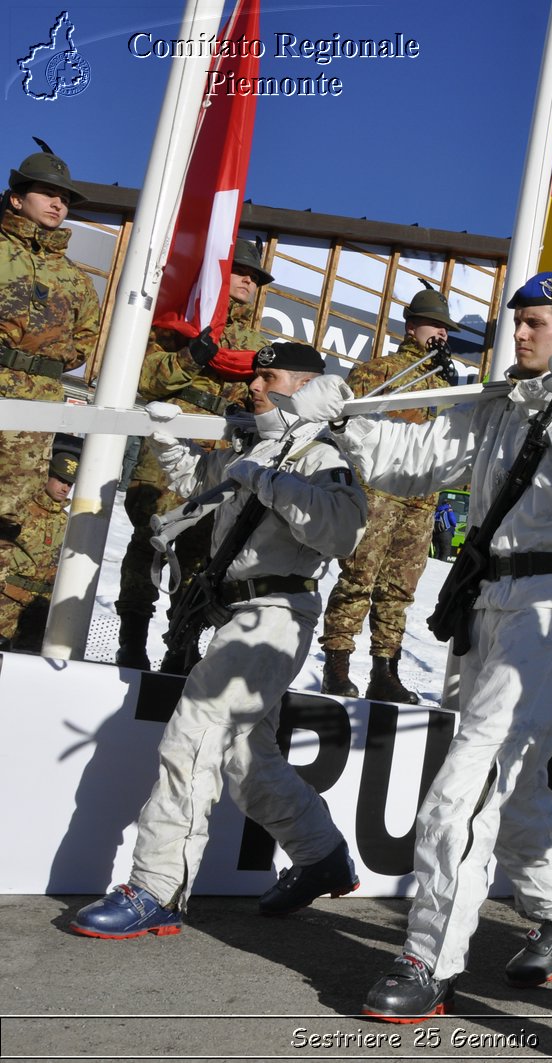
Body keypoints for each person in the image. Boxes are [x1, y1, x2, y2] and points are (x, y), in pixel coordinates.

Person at [285, 271, 552, 1023]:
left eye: (538, 321)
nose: (523, 332)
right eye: (518, 321)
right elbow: (413, 455)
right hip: (484, 606)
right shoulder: (499, 408)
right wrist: (344, 419)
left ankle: (428, 958)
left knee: (461, 791)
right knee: (519, 786)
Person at [70, 341, 368, 938]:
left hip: (276, 612)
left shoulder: (321, 455)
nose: (255, 386)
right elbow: (199, 486)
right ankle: (322, 855)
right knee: (245, 760)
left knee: (194, 735)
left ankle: (156, 887)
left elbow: (342, 530)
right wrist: (167, 437)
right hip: (239, 612)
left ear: (304, 386)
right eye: (256, 376)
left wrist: (268, 479)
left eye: (270, 376)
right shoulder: (255, 448)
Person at [116, 238, 271, 671]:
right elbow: (147, 382)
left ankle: (181, 644)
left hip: (220, 458)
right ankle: (131, 638)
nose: (248, 280)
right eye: (241, 271)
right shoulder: (179, 323)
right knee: (150, 541)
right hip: (168, 453)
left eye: (254, 276)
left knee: (203, 554)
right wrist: (189, 356)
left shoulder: (256, 345)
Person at [320, 287, 461, 703]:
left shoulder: (446, 383)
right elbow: (352, 422)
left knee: (400, 588)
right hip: (378, 490)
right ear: (412, 325)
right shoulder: (379, 370)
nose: (442, 334)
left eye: (446, 329)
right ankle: (337, 665)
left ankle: (386, 670)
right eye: (435, 325)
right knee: (358, 577)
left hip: (421, 496)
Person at [0, 143, 100, 565]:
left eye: (64, 199)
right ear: (17, 198)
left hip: (37, 403)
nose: (58, 203)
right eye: (47, 193)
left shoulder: (75, 279)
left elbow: (84, 340)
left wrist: (36, 354)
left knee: (10, 513)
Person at [0, 435, 77, 651]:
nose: (65, 488)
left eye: (69, 484)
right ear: (47, 476)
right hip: (6, 601)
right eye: (61, 480)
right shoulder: (19, 509)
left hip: (39, 609)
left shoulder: (67, 521)